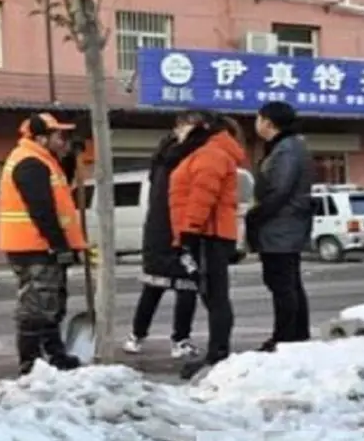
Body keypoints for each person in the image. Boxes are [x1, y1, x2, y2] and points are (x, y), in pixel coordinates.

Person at [0, 112, 87, 375]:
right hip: (34, 247)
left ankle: (55, 355)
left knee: (52, 304)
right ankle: (31, 362)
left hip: (40, 246)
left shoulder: (43, 160)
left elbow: (61, 189)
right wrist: (58, 245)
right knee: (37, 306)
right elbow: (42, 209)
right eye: (59, 136)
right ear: (41, 137)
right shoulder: (30, 163)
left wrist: (71, 156)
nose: (63, 140)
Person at [164, 110, 247, 380]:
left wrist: (189, 231)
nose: (180, 130)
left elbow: (203, 194)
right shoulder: (204, 151)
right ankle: (217, 352)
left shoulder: (211, 153)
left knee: (215, 295)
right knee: (212, 295)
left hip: (207, 235)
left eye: (185, 124)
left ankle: (218, 355)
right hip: (204, 234)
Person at [121, 119, 204, 359]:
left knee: (154, 286)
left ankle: (136, 336)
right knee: (185, 286)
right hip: (177, 227)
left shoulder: (160, 157)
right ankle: (179, 339)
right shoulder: (187, 156)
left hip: (157, 228)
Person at [246, 101, 316, 352]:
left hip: (281, 226)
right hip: (285, 225)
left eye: (258, 118)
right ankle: (296, 335)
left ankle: (285, 338)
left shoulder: (286, 149)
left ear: (267, 122)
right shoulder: (291, 146)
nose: (256, 123)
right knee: (289, 283)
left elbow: (279, 190)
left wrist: (256, 215)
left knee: (282, 283)